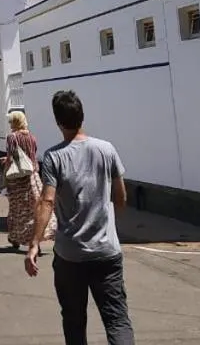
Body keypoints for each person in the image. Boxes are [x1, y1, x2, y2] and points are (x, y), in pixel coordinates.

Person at [24, 90, 134, 345]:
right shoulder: (107, 149)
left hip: (70, 255)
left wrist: (34, 244)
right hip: (107, 252)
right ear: (81, 117)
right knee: (117, 320)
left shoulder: (54, 157)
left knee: (74, 320)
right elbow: (121, 198)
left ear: (58, 122)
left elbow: (47, 200)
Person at [2, 110, 43, 250]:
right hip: (32, 177)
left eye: (10, 121)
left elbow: (11, 158)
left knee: (17, 209)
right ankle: (37, 238)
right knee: (33, 209)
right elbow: (31, 156)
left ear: (15, 122)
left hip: (17, 179)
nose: (9, 124)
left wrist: (5, 175)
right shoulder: (32, 137)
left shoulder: (11, 137)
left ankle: (15, 237)